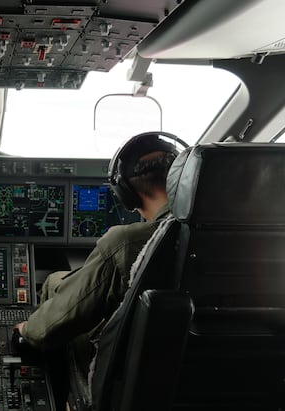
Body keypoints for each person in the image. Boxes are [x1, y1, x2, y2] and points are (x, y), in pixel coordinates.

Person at [14, 131, 183, 404]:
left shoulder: (124, 243)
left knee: (60, 303)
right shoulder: (237, 241)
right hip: (201, 381)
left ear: (127, 195)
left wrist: (27, 330)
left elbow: (57, 322)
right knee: (60, 281)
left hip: (130, 383)